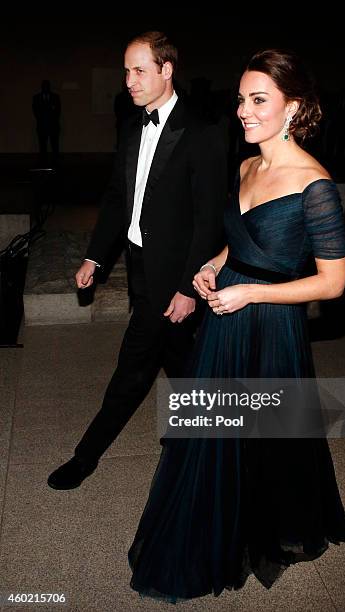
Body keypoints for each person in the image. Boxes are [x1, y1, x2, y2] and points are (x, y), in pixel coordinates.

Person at [127, 48, 345, 603]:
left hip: (269, 324)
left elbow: (332, 284)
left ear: (293, 106)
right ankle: (215, 522)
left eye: (259, 100)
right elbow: (244, 239)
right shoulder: (246, 166)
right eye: (240, 100)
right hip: (226, 314)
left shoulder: (315, 185)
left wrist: (251, 292)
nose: (244, 111)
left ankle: (267, 523)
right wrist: (211, 267)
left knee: (268, 436)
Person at [47, 31, 227, 490]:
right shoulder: (131, 128)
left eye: (139, 70)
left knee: (132, 370)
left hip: (177, 278)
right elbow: (115, 202)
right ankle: (206, 433)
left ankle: (85, 457)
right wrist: (95, 256)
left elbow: (209, 222)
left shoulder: (202, 133)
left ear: (167, 70)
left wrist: (188, 287)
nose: (128, 80)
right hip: (140, 270)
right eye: (126, 70)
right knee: (181, 360)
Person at [32, 80, 61, 165]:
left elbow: (58, 111)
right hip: (42, 125)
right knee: (42, 146)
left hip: (53, 126)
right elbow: (35, 111)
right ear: (42, 87)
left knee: (55, 145)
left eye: (47, 86)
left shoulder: (55, 97)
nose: (45, 88)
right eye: (44, 86)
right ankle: (43, 162)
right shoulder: (36, 97)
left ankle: (56, 163)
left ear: (49, 87)